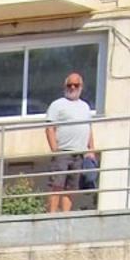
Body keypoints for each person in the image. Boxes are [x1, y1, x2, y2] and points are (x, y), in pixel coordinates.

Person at [44, 70, 96, 215]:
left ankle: (66, 215)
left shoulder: (85, 106)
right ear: (65, 86)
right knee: (57, 184)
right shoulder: (57, 105)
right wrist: (55, 150)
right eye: (70, 85)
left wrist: (91, 150)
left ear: (81, 87)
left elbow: (88, 128)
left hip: (79, 153)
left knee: (71, 187)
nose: (72, 88)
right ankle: (52, 214)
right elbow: (49, 128)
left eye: (76, 85)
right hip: (63, 151)